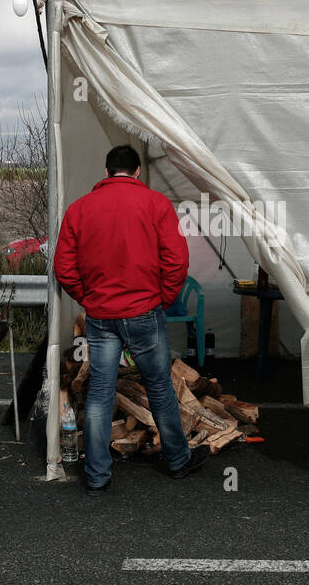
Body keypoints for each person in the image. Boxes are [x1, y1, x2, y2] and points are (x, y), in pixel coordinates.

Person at [54, 145, 208, 494]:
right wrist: (164, 299)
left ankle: (96, 477)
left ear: (107, 172)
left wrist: (88, 297)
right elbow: (176, 262)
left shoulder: (79, 209)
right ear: (138, 171)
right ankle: (178, 461)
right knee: (160, 389)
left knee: (99, 394)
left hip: (101, 315)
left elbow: (64, 267)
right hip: (144, 313)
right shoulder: (156, 205)